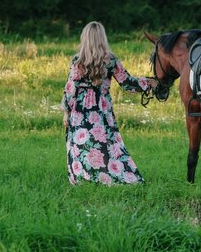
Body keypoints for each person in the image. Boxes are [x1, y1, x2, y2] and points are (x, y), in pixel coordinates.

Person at [60, 21, 156, 185]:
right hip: (102, 108)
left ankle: (83, 177)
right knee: (107, 141)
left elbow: (71, 89)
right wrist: (149, 83)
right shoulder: (111, 60)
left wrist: (66, 111)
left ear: (85, 38)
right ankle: (113, 174)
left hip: (80, 109)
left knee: (80, 142)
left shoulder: (77, 60)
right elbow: (127, 83)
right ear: (102, 38)